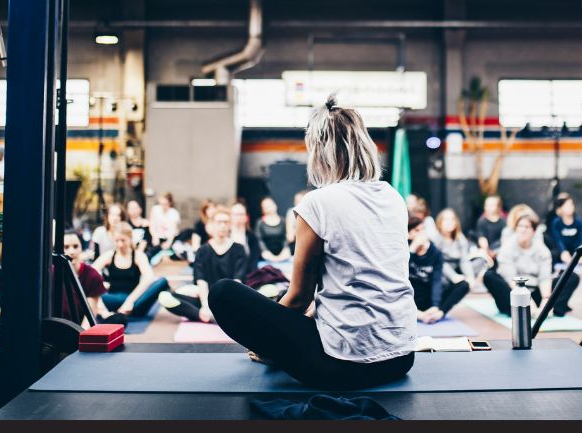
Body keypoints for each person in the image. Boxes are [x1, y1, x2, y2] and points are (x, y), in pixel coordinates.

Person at [208, 94, 416, 390]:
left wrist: (270, 345)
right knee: (279, 292)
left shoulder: (317, 203)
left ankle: (272, 354)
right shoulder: (393, 197)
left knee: (224, 293)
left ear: (319, 150)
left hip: (343, 367)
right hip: (401, 357)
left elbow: (299, 299)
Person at [159, 207, 252, 322]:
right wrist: (205, 305)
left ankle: (214, 316)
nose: (223, 225)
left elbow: (238, 281)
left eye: (226, 222)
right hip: (207, 298)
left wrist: (229, 302)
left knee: (263, 294)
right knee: (166, 297)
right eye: (219, 222)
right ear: (212, 224)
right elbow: (201, 280)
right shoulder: (202, 251)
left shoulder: (239, 249)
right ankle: (204, 315)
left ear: (230, 225)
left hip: (232, 299)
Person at [483, 209, 564, 316]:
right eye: (520, 226)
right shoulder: (507, 247)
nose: (523, 230)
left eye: (527, 227)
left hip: (536, 291)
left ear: (534, 231)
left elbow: (544, 278)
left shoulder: (542, 250)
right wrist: (526, 302)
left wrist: (546, 301)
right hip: (514, 292)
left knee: (570, 277)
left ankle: (549, 308)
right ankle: (519, 310)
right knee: (489, 275)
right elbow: (510, 279)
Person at [93, 222, 169, 319]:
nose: (120, 244)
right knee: (93, 296)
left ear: (130, 238)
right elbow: (89, 273)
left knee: (162, 281)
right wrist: (100, 285)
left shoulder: (138, 255)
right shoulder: (110, 255)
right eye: (116, 241)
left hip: (136, 300)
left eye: (123, 240)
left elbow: (148, 277)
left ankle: (123, 312)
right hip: (113, 299)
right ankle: (117, 313)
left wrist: (130, 301)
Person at [408, 216, 469, 323]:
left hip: (428, 298)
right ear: (409, 234)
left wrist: (435, 306)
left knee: (463, 285)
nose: (422, 234)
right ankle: (419, 315)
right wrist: (412, 249)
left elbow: (436, 281)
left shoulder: (435, 253)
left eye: (423, 229)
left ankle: (437, 314)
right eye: (417, 231)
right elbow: (399, 274)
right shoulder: (405, 249)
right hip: (409, 299)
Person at [60, 232, 108, 320]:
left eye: (75, 246)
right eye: (66, 247)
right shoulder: (50, 274)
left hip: (81, 328)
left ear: (81, 248)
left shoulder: (92, 275)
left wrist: (81, 333)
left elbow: (89, 316)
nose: (72, 252)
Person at [434, 207, 478, 282]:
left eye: (452, 219)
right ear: (440, 222)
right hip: (442, 271)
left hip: (458, 268)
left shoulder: (460, 238)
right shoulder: (436, 239)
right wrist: (453, 276)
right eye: (446, 220)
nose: (449, 222)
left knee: (480, 262)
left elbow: (464, 260)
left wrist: (470, 276)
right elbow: (439, 262)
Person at [255, 196, 291, 263]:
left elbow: (286, 238)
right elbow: (259, 240)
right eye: (266, 207)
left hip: (284, 255)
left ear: (275, 205)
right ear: (263, 210)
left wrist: (283, 253)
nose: (269, 208)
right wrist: (268, 255)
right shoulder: (260, 223)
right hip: (266, 257)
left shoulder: (284, 221)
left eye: (270, 205)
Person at [475, 194, 506, 259]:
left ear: (498, 207)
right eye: (486, 205)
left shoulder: (504, 222)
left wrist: (497, 251)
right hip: (487, 251)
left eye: (491, 205)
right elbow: (482, 237)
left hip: (500, 250)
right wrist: (486, 249)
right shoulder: (482, 221)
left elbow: (505, 240)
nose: (488, 207)